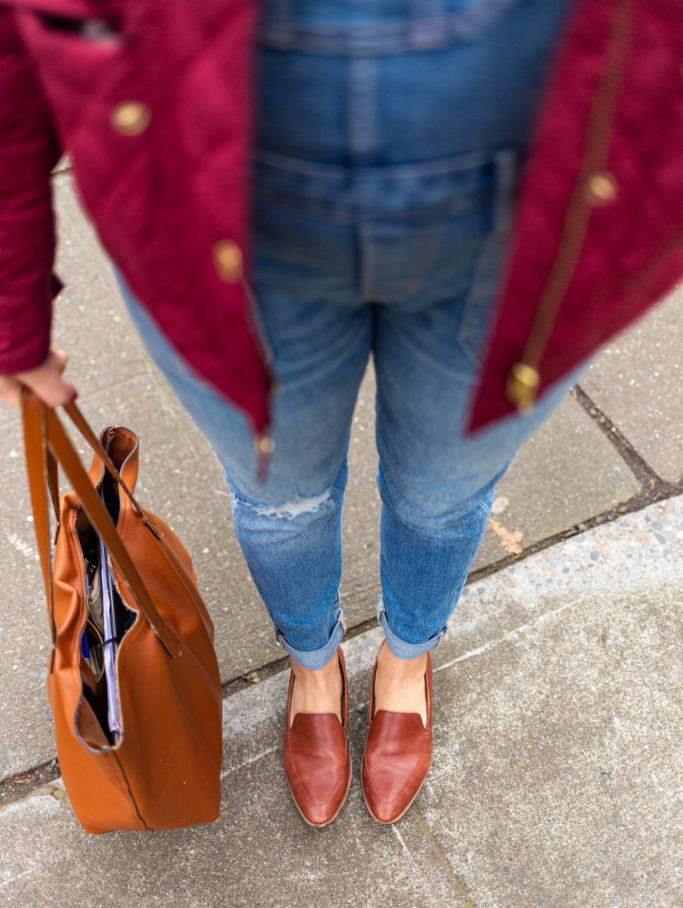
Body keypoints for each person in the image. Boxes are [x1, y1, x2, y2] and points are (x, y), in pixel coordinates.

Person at [1, 0, 682, 827]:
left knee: (444, 496)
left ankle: (407, 658)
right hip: (223, 199)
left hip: (528, 197)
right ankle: (313, 665)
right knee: (280, 500)